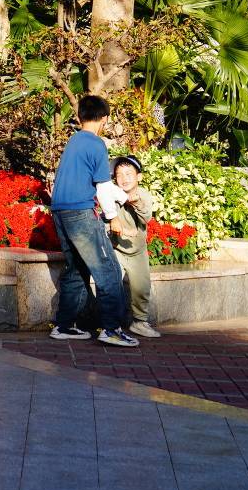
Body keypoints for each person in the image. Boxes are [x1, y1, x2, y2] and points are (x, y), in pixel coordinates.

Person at [47, 94, 139, 347]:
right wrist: (113, 217)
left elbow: (99, 184)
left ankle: (64, 325)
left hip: (60, 212)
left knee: (77, 269)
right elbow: (101, 186)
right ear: (105, 119)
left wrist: (122, 197)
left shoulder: (74, 141)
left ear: (79, 117)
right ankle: (112, 329)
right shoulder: (96, 144)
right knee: (109, 271)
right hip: (80, 213)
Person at [109, 156, 162, 339]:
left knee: (141, 286)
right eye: (119, 174)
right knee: (111, 285)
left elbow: (146, 216)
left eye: (129, 173)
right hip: (115, 248)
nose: (124, 178)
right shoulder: (112, 194)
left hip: (137, 250)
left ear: (139, 177)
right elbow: (104, 217)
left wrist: (136, 201)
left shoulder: (144, 195)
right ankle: (111, 324)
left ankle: (140, 322)